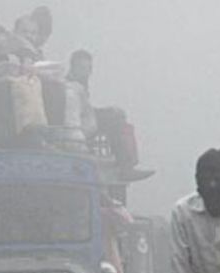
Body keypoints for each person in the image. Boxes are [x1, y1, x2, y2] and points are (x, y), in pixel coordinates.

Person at [64, 50, 153, 181]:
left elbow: (85, 109)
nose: (86, 72)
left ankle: (127, 164)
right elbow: (77, 113)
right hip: (79, 127)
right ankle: (125, 168)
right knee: (114, 118)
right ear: (73, 67)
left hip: (85, 120)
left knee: (117, 116)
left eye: (89, 68)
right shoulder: (70, 87)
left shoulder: (81, 83)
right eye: (82, 68)